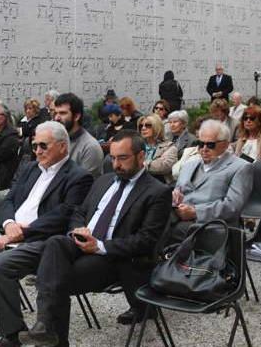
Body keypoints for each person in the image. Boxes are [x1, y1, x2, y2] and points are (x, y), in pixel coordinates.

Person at [0, 121, 93, 347]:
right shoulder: (31, 168)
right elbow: (9, 200)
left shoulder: (78, 176)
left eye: (43, 145)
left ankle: (12, 334)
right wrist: (9, 223)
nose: (37, 151)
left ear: (63, 146)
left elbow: (64, 215)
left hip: (42, 242)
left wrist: (23, 232)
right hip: (9, 233)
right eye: (34, 146)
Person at [18, 130, 172, 346]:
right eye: (113, 158)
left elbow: (146, 241)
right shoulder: (104, 181)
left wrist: (99, 246)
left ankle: (50, 333)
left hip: (113, 256)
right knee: (55, 242)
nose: (116, 164)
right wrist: (78, 230)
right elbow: (79, 212)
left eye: (123, 158)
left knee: (55, 278)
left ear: (141, 156)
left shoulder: (157, 192)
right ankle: (45, 327)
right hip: (83, 242)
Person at [170, 120, 252, 241]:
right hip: (178, 217)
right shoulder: (189, 164)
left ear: (225, 144)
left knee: (167, 230)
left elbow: (232, 206)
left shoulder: (241, 167)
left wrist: (196, 212)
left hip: (211, 224)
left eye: (210, 145)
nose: (204, 149)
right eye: (200, 143)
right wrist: (175, 197)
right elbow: (178, 191)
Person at [53, 93, 104, 177]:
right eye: (55, 113)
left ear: (76, 116)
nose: (56, 118)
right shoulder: (53, 140)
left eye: (62, 113)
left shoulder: (90, 147)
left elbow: (85, 182)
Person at [138, 114, 177, 183]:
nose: (143, 128)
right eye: (141, 126)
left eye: (148, 125)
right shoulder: (137, 145)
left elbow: (164, 166)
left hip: (160, 183)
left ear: (156, 127)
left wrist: (141, 165)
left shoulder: (169, 146)